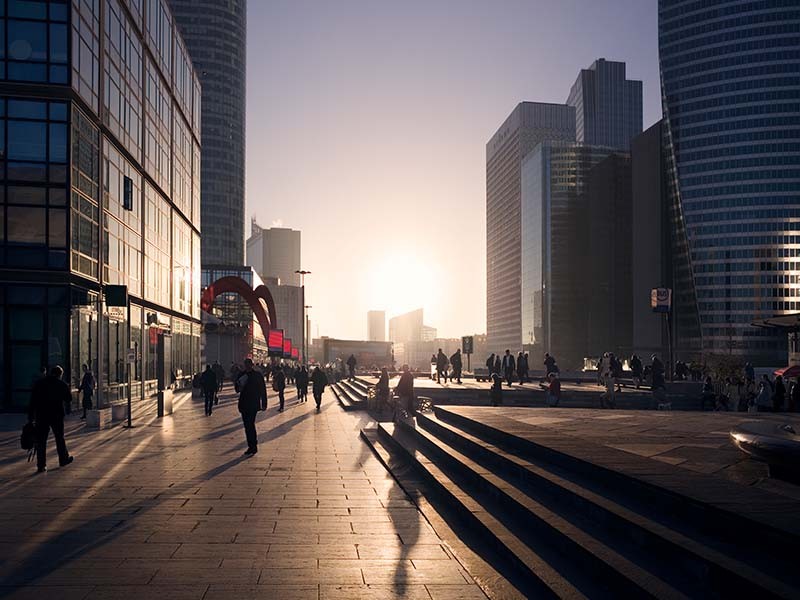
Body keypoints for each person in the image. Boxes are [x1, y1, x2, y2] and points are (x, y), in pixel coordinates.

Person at [28, 366, 73, 473]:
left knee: (41, 441)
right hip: (56, 415)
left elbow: (32, 401)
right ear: (60, 374)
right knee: (59, 438)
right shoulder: (61, 384)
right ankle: (63, 459)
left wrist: (30, 416)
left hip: (41, 415)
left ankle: (41, 465)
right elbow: (69, 399)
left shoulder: (40, 384)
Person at [235, 358, 267, 456]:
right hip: (246, 403)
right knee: (248, 425)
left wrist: (264, 403)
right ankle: (252, 445)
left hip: (252, 403)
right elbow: (237, 389)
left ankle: (252, 445)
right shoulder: (243, 375)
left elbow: (262, 390)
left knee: (250, 425)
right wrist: (239, 385)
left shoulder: (257, 375)